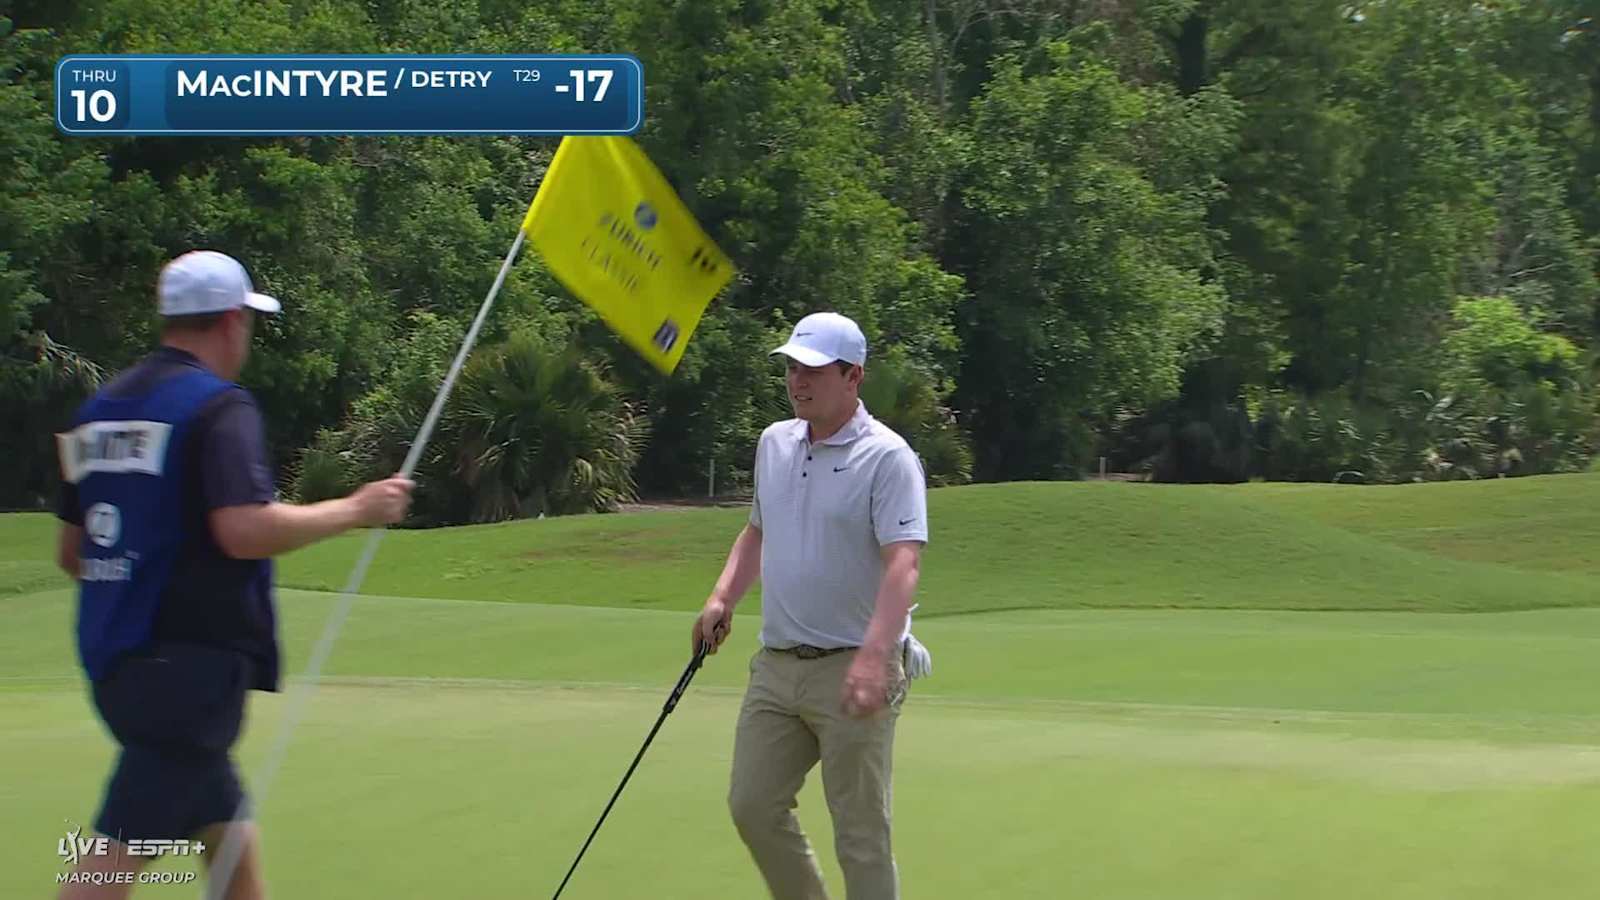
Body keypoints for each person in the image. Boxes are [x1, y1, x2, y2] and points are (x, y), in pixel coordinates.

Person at [52, 250, 415, 900]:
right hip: (187, 672)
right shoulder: (219, 408)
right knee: (119, 846)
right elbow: (243, 529)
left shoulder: (98, 411)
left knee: (230, 837)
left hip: (115, 664)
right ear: (229, 321)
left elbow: (72, 553)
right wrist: (357, 510)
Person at [693, 311, 932, 900]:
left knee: (860, 834)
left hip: (854, 663)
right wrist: (723, 596)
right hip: (777, 664)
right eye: (793, 368)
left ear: (853, 377)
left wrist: (877, 657)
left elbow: (904, 562)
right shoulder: (774, 443)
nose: (798, 381)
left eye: (815, 371)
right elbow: (757, 532)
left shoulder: (887, 457)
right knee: (752, 806)